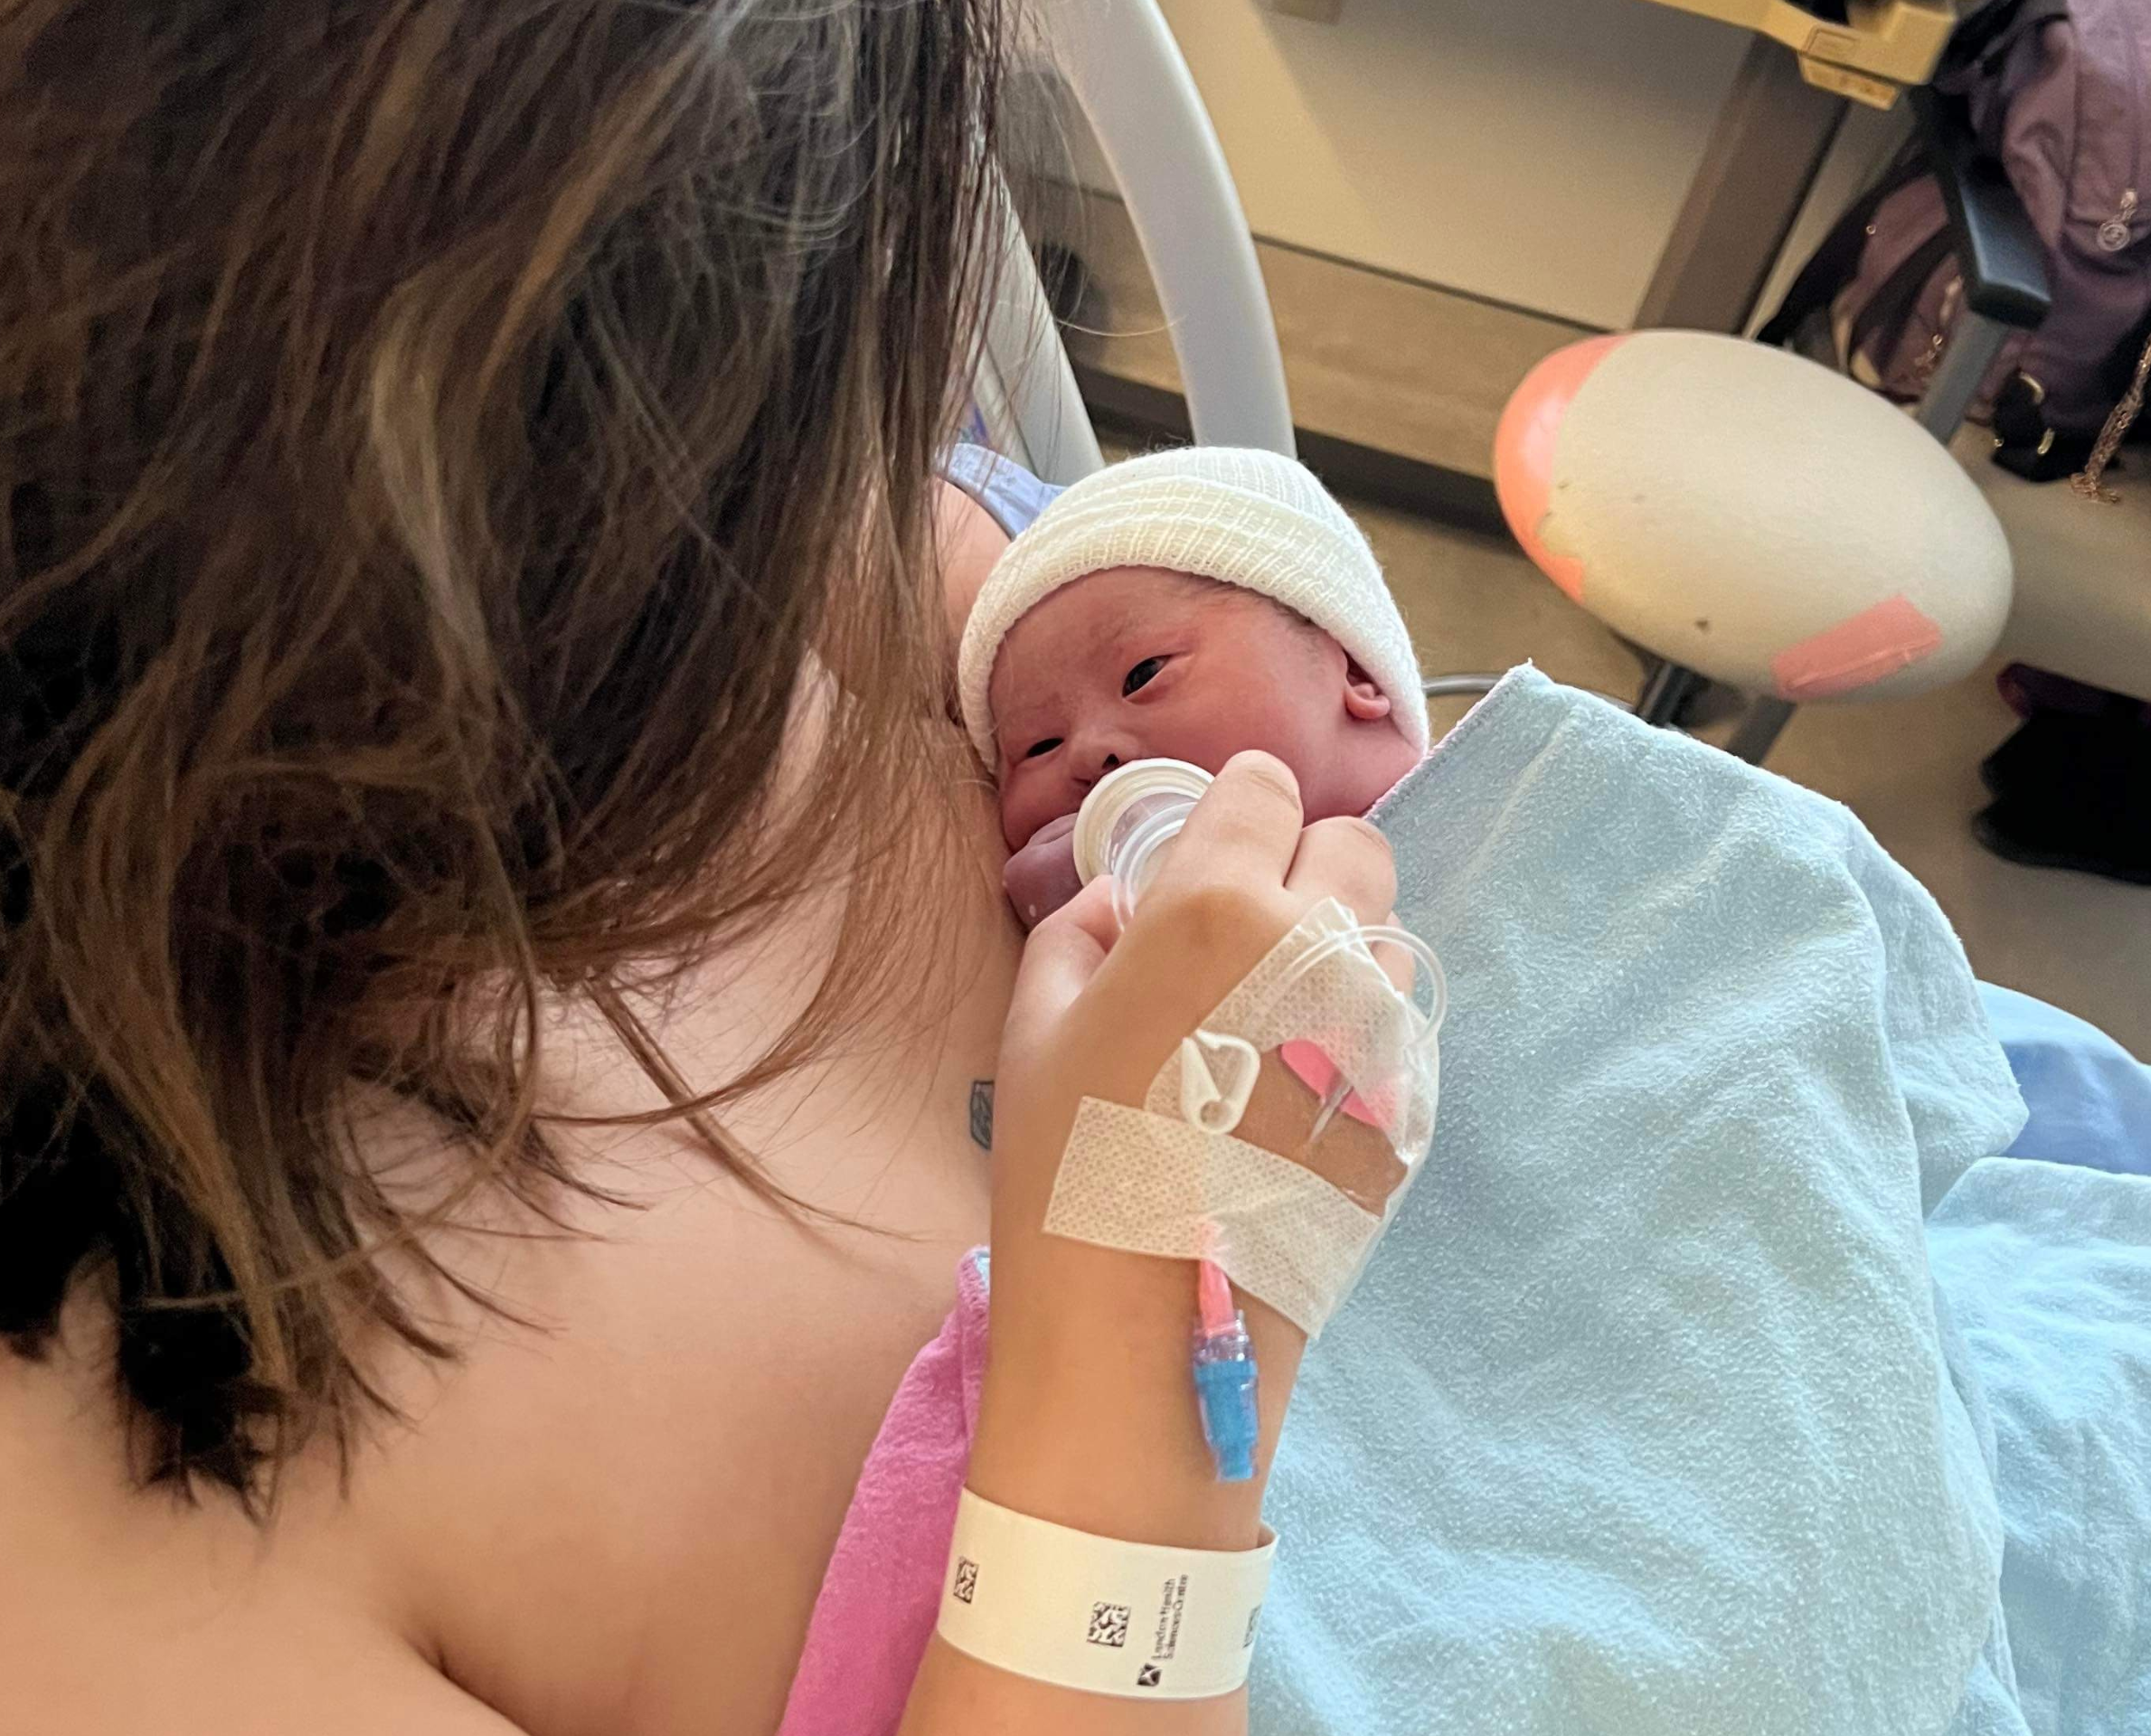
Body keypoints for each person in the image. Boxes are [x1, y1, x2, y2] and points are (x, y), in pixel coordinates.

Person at [0, 5, 1400, 1732]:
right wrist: (1153, 1368)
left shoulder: (732, 503)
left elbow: (1047, 590)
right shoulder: (101, 1545)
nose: (837, 507)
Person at [955, 447, 1431, 927]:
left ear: (1354, 672)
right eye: (1040, 746)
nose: (1087, 753)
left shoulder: (1501, 800)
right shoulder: (1097, 947)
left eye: (1143, 675)